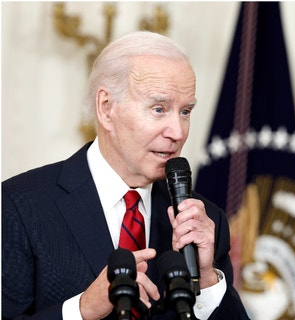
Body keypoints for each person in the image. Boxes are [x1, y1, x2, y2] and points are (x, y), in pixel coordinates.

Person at [2, 31, 250, 319]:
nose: (178, 132)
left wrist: (206, 279)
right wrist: (81, 310)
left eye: (185, 111)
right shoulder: (17, 206)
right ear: (107, 108)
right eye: (159, 109)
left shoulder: (204, 220)